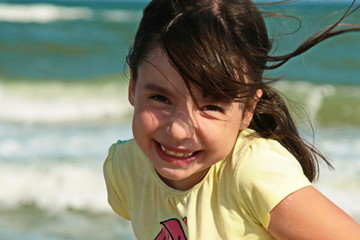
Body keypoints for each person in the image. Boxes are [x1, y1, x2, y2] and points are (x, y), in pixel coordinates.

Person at [104, 0, 360, 239]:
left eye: (211, 107)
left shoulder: (253, 170)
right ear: (133, 85)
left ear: (248, 109)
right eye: (161, 98)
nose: (179, 130)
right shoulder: (126, 168)